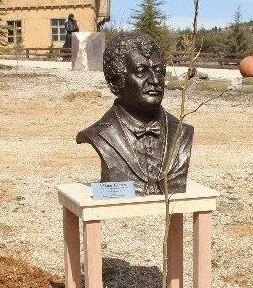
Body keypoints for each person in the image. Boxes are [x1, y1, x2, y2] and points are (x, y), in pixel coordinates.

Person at [76, 31, 193, 196]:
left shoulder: (182, 132)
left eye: (158, 71)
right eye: (140, 72)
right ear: (115, 82)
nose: (154, 80)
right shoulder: (99, 134)